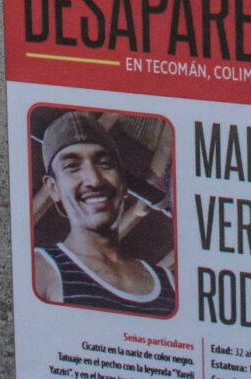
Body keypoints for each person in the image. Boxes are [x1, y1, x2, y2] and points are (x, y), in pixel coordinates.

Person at [30, 113, 176, 318]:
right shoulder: (39, 268)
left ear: (123, 183)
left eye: (105, 164)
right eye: (72, 166)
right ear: (53, 188)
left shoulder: (168, 283)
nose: (94, 180)